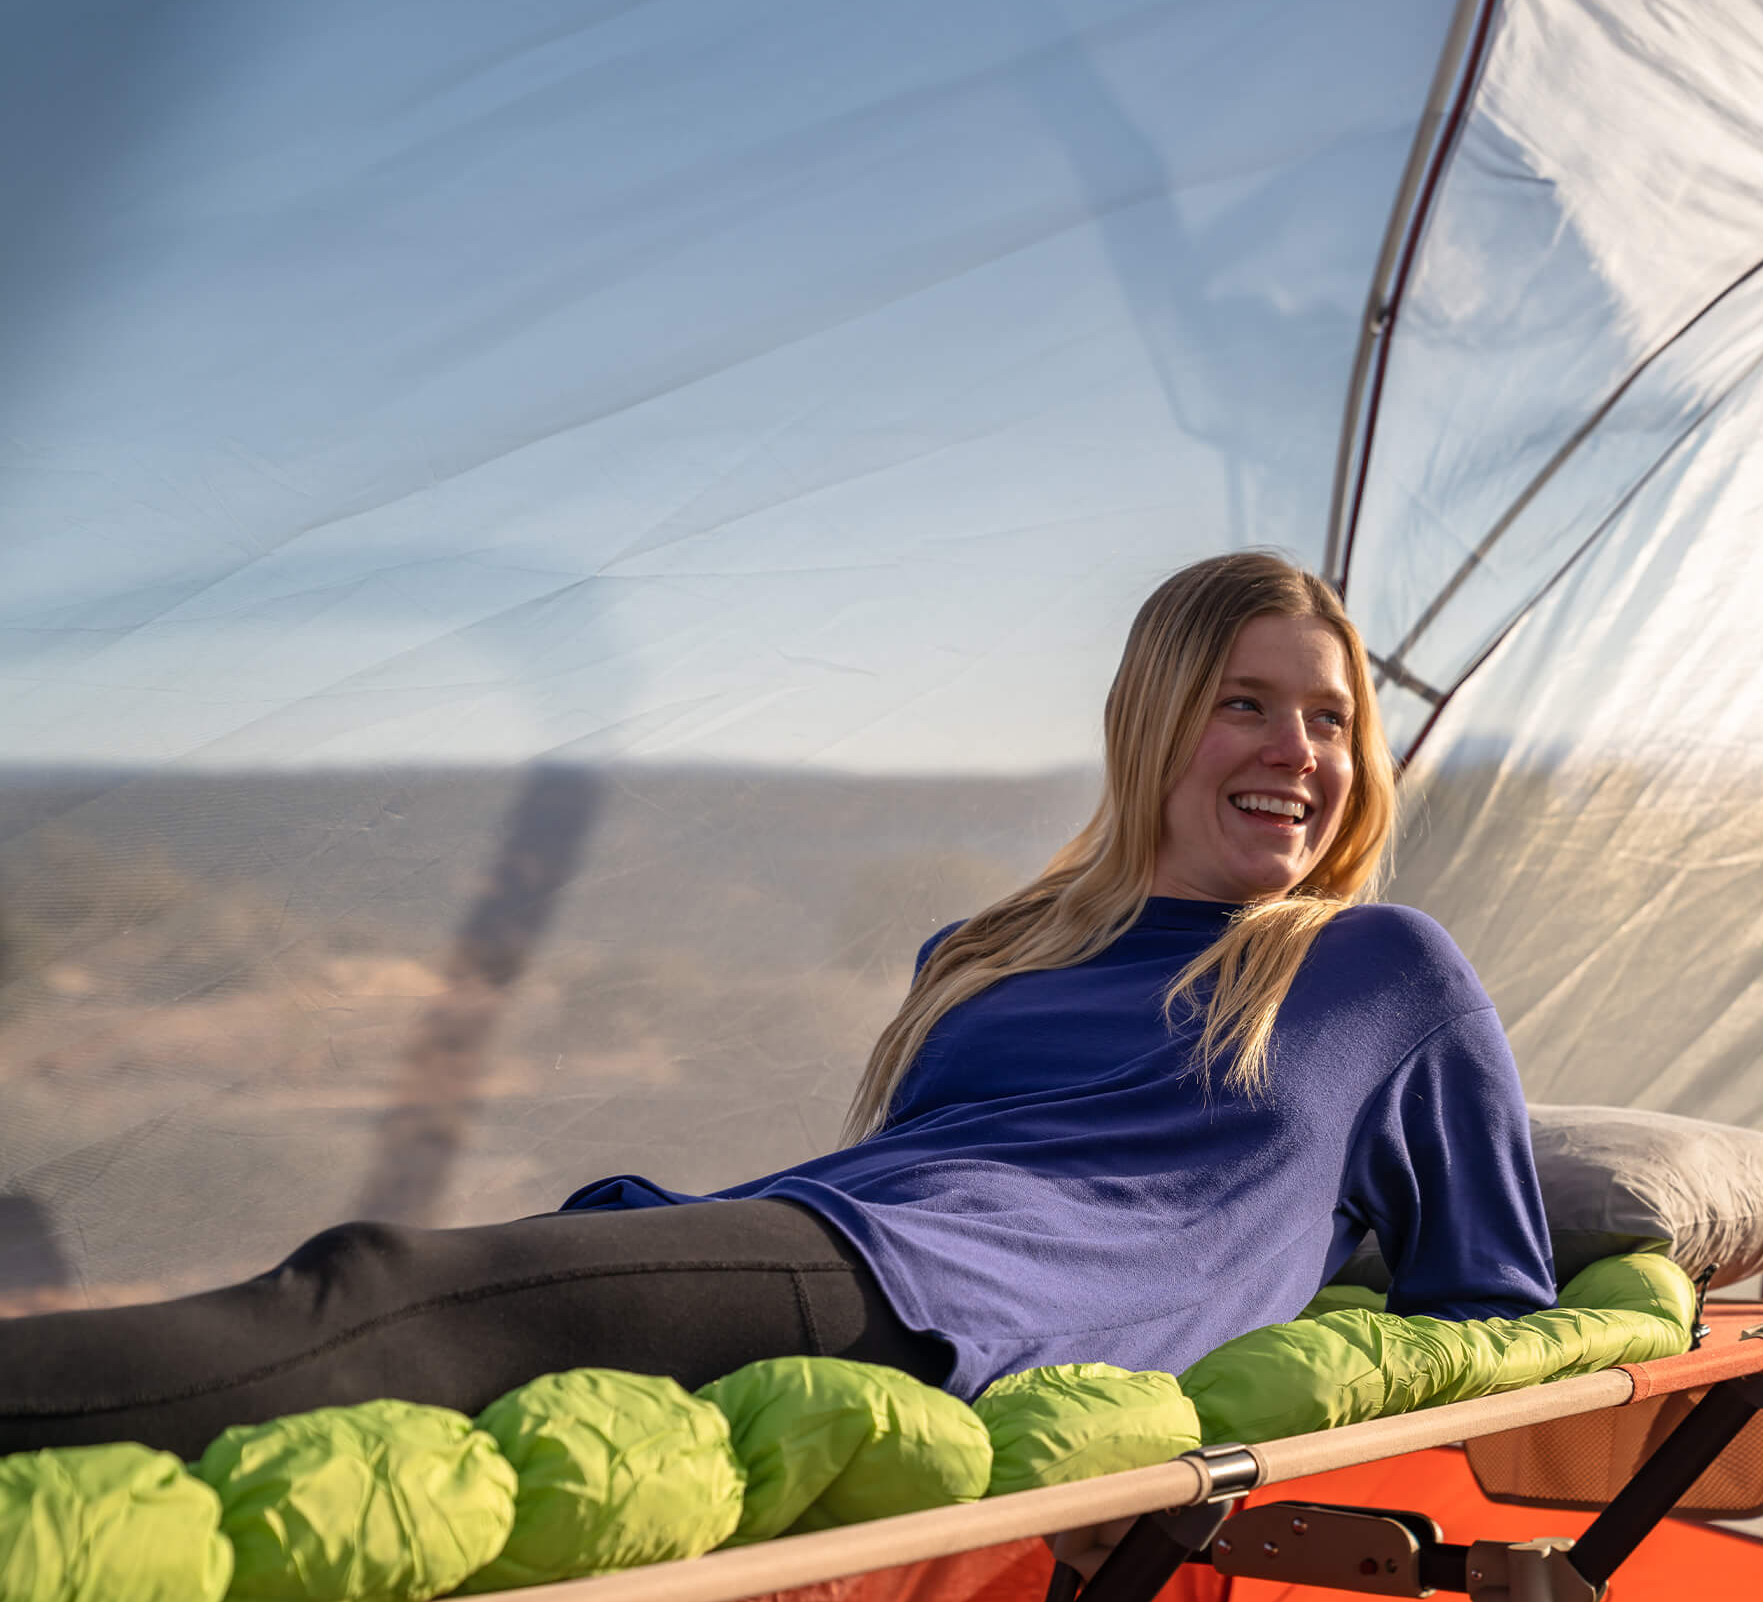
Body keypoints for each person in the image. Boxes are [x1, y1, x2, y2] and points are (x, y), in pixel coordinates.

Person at [0, 553, 1554, 1462]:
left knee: (386, 1289)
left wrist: (1299, 1250)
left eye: (1333, 719)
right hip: (831, 1247)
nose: (1298, 750)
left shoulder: (1377, 971)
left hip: (950, 1310)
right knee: (409, 1319)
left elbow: (1489, 1290)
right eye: (1246, 703)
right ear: (1155, 720)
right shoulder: (989, 946)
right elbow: (910, 1158)